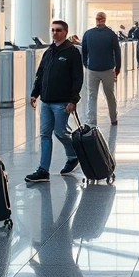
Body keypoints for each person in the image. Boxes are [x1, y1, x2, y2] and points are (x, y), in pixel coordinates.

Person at [26, 20, 84, 183]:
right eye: (52, 30)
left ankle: (73, 155)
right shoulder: (49, 52)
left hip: (62, 102)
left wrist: (73, 100)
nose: (55, 33)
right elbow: (41, 73)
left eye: (58, 30)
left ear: (65, 32)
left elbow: (77, 78)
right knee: (45, 134)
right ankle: (43, 170)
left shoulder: (72, 52)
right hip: (46, 101)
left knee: (60, 132)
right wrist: (34, 93)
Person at [81, 12, 122, 127]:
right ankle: (113, 118)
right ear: (105, 20)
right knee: (109, 95)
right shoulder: (111, 34)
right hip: (107, 69)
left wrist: (86, 64)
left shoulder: (88, 34)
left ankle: (92, 121)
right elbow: (117, 52)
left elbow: (84, 51)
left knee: (92, 96)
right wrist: (117, 68)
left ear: (96, 20)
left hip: (92, 68)